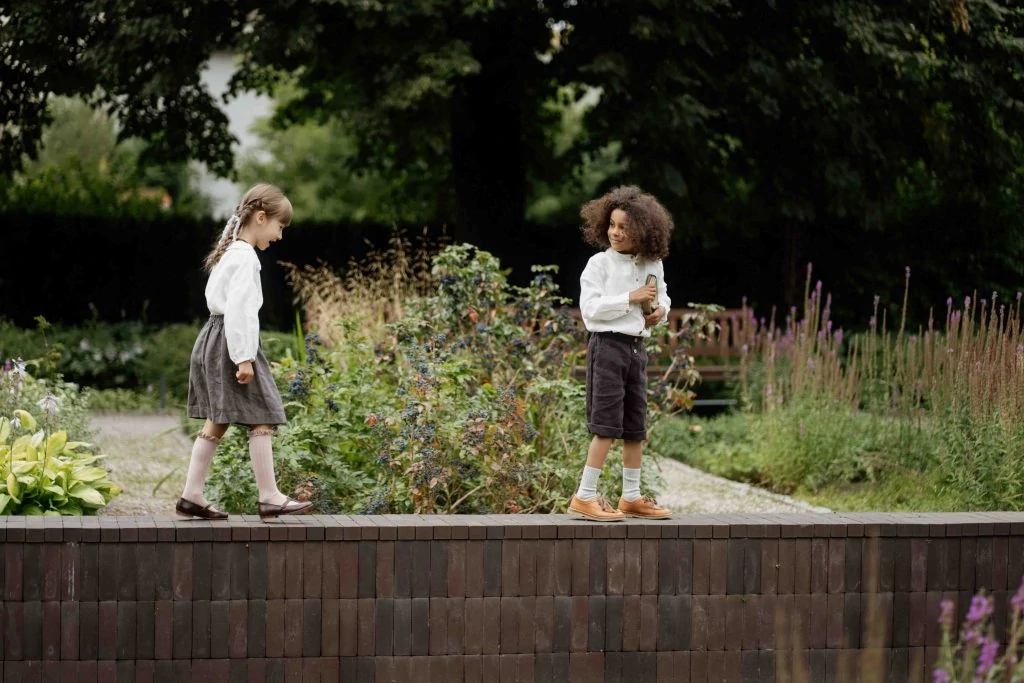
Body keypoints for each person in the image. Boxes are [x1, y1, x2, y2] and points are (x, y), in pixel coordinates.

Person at [175, 183, 312, 521]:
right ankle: (269, 497)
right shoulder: (246, 257)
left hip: (214, 338)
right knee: (263, 411)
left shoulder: (231, 253)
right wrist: (244, 357)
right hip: (232, 343)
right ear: (261, 218)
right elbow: (239, 311)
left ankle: (191, 495)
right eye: (279, 227)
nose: (280, 236)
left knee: (218, 418)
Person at [568, 185, 675, 521]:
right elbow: (591, 312)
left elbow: (663, 298)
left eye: (624, 227)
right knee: (606, 425)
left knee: (634, 427)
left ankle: (631, 497)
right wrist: (630, 297)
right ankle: (584, 496)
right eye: (612, 225)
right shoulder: (599, 264)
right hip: (608, 348)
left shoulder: (652, 263)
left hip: (635, 349)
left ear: (642, 231)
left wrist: (661, 312)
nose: (616, 232)